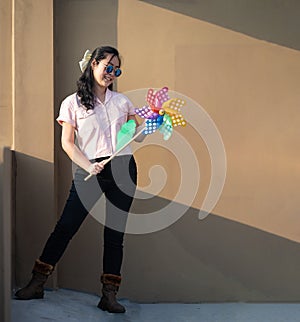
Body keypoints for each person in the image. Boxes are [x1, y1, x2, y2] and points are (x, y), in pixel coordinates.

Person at [15, 46, 144, 313]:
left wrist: (149, 121)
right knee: (66, 227)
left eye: (116, 70)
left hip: (123, 169)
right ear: (93, 64)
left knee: (115, 234)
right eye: (108, 67)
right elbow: (68, 143)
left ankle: (109, 295)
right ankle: (37, 283)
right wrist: (89, 165)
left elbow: (135, 136)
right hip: (90, 170)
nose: (112, 73)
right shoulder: (72, 102)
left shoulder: (122, 102)